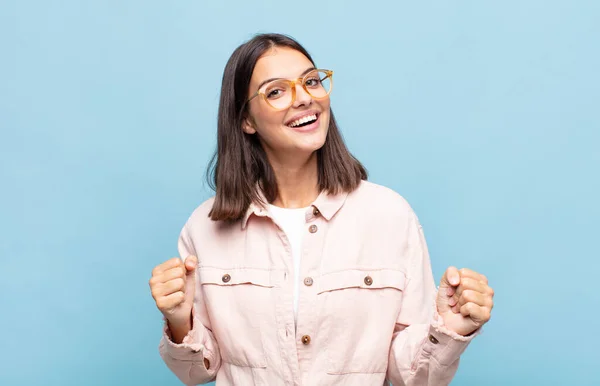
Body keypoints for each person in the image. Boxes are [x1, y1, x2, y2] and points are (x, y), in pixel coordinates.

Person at [149, 33, 494, 386]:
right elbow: (196, 372)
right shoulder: (204, 228)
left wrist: (450, 330)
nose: (304, 99)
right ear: (246, 120)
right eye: (276, 91)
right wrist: (180, 321)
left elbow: (411, 376)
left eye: (311, 81)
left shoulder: (390, 216)